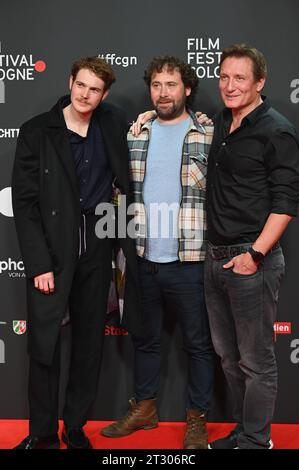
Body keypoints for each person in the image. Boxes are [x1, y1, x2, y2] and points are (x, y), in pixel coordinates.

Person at [12, 56, 141, 449]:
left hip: (99, 246)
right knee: (45, 345)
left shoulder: (113, 122)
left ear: (105, 94)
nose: (86, 95)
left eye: (95, 89)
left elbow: (151, 122)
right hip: (53, 252)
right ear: (70, 82)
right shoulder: (37, 131)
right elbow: (26, 203)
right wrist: (38, 264)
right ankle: (43, 432)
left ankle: (76, 425)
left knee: (89, 343)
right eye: (81, 85)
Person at [101, 56, 215, 449]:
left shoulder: (209, 134)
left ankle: (197, 418)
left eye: (171, 84)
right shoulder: (137, 133)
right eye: (156, 85)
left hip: (192, 260)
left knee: (198, 343)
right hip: (144, 258)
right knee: (145, 339)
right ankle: (145, 409)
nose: (163, 93)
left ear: (187, 88)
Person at [204, 44, 299, 449]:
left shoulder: (276, 129)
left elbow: (286, 203)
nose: (229, 85)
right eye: (224, 77)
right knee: (229, 359)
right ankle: (245, 432)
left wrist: (255, 255)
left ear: (259, 82)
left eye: (240, 78)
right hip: (216, 259)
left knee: (257, 362)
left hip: (251, 261)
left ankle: (257, 442)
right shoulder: (223, 123)